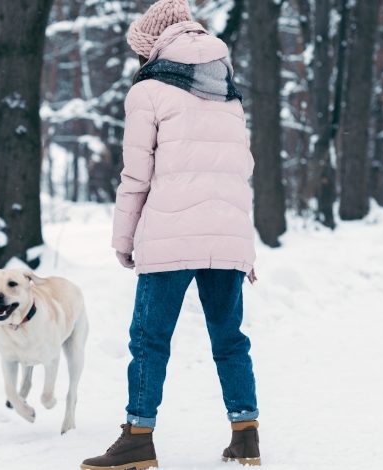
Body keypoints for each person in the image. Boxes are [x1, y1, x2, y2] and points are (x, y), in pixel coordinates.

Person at [80, 0, 260, 468]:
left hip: (169, 234)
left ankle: (138, 439)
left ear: (151, 46)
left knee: (149, 338)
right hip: (227, 236)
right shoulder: (227, 89)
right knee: (229, 337)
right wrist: (242, 243)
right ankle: (246, 435)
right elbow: (240, 170)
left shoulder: (150, 89)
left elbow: (136, 175)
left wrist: (123, 238)